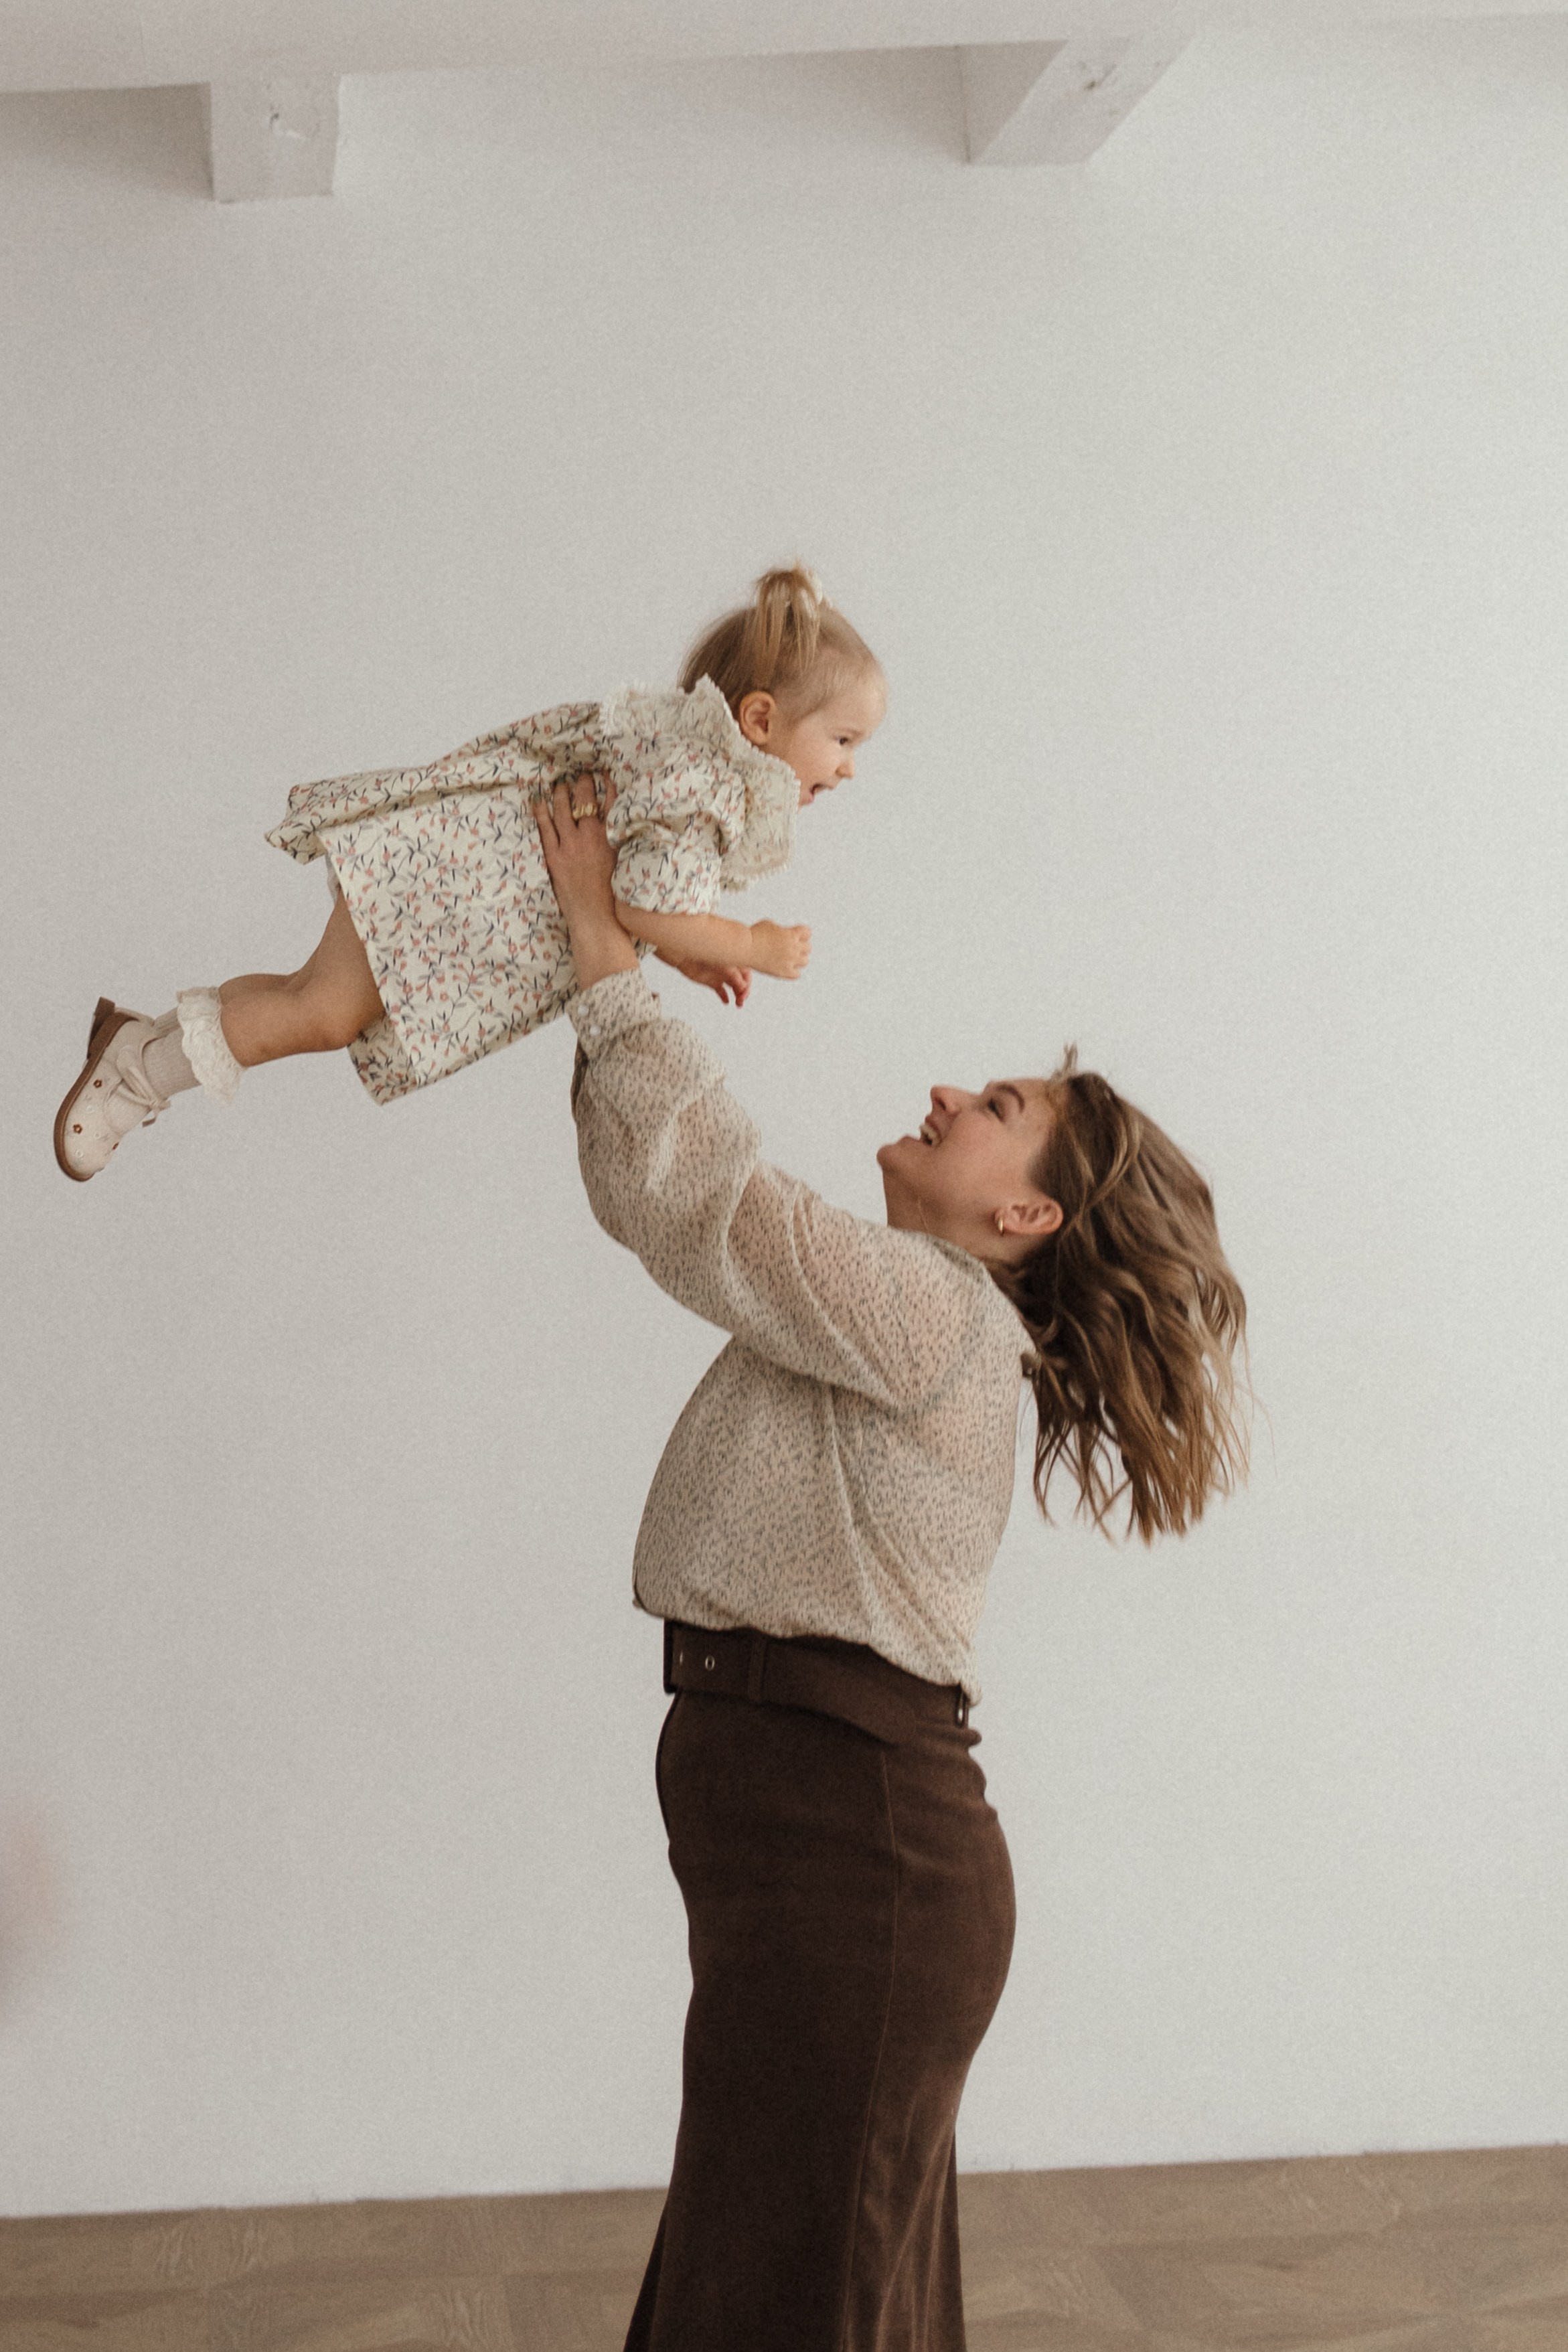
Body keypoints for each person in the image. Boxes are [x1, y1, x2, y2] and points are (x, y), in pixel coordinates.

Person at [535, 779, 1250, 2352]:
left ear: (1022, 1207)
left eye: (991, 1101)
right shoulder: (898, 1308)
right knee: (800, 2276)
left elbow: (703, 1199)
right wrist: (602, 978)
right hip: (831, 1835)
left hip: (852, 1843)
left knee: (787, 2287)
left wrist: (605, 958)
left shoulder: (931, 1312)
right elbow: (664, 1205)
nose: (945, 1090)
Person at [54, 566, 883, 1180]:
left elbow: (628, 883)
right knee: (320, 1011)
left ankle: (143, 1045)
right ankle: (135, 1072)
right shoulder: (708, 792)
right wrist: (750, 940)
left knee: (304, 995)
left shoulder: (684, 755)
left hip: (450, 876)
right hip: (445, 892)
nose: (848, 770)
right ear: (762, 718)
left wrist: (683, 951)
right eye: (842, 741)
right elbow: (637, 897)